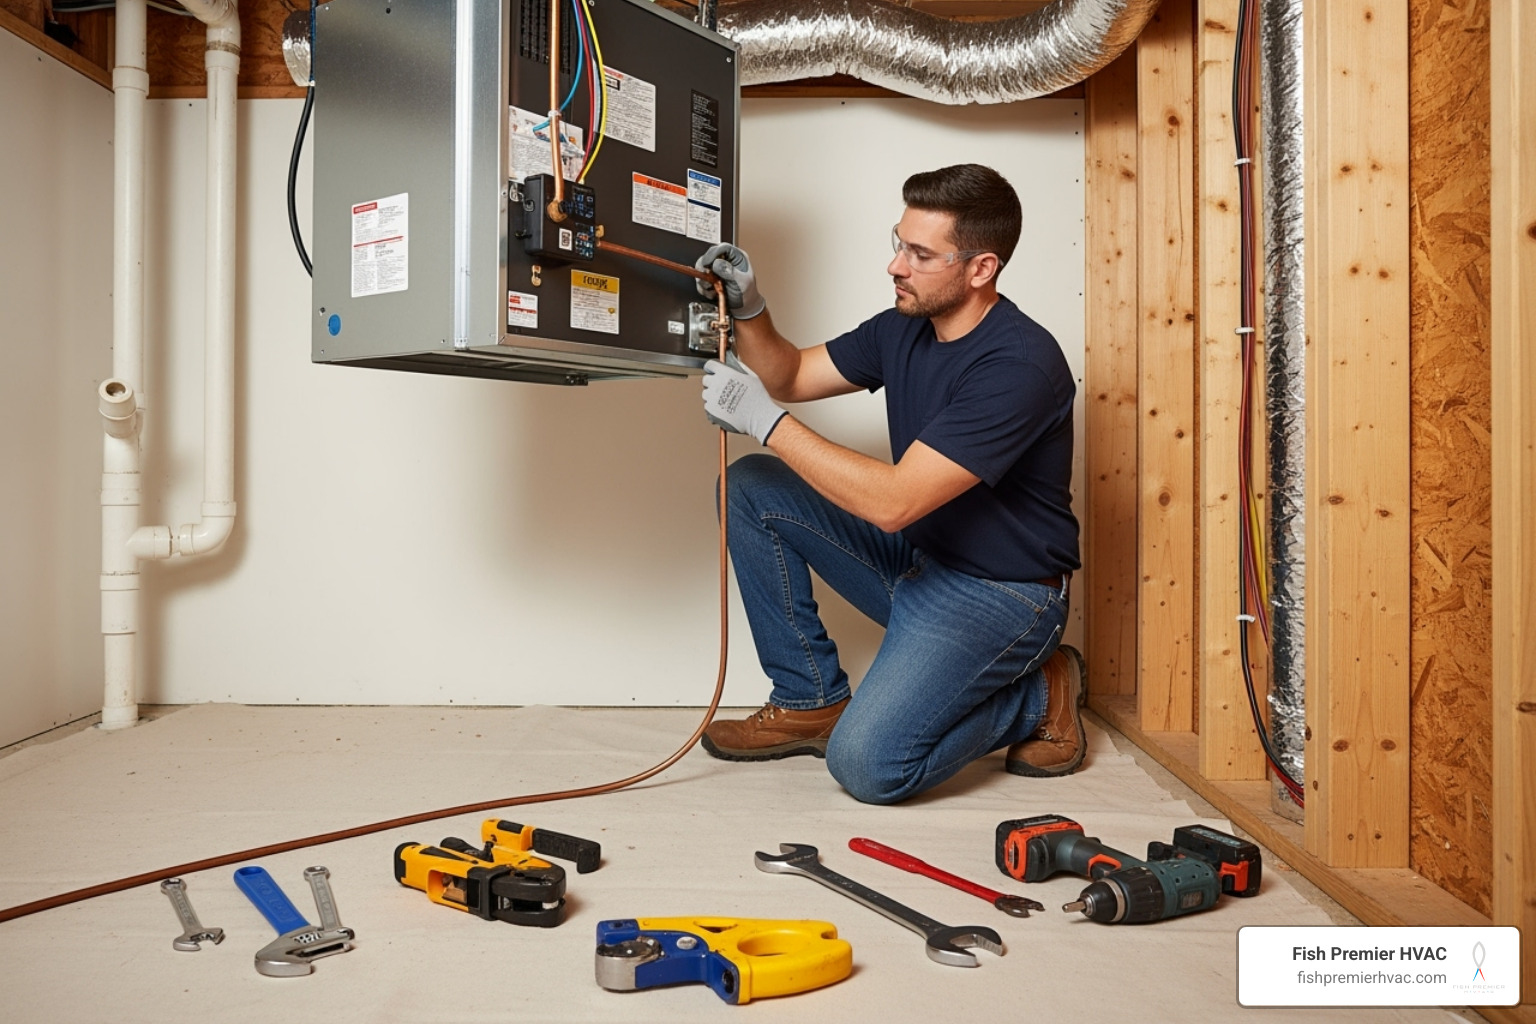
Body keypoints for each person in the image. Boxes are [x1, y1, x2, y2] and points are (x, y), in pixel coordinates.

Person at [694, 163, 1084, 805]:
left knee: (869, 766)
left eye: (920, 253)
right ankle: (808, 698)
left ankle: (1042, 692)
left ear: (980, 268)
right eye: (898, 242)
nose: (896, 266)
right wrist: (751, 310)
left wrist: (765, 422)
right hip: (922, 562)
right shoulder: (904, 325)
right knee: (753, 486)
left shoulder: (1019, 365)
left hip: (1003, 598)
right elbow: (790, 375)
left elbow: (895, 502)